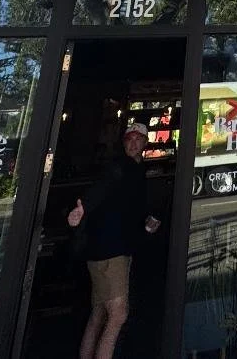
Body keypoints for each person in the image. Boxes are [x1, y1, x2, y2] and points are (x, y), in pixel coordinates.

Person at [68, 122, 160, 359]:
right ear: (124, 143)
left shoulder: (137, 171)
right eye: (129, 139)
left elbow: (131, 208)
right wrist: (82, 209)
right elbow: (101, 189)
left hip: (104, 249)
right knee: (118, 314)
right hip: (112, 251)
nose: (133, 143)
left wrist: (147, 223)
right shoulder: (120, 168)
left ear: (145, 143)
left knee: (99, 313)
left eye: (138, 139)